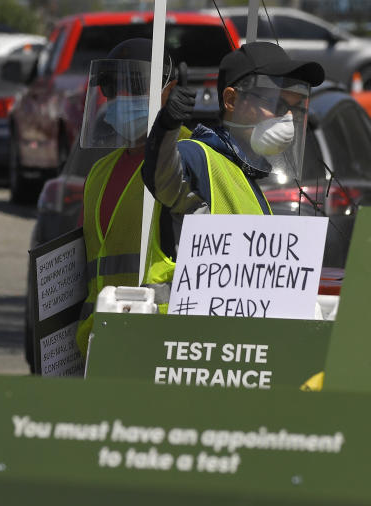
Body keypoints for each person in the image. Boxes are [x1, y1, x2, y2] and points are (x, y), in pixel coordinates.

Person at [141, 41, 325, 306]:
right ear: (231, 100)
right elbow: (161, 177)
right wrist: (168, 125)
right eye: (276, 103)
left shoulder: (246, 177)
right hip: (181, 334)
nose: (287, 118)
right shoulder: (197, 156)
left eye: (294, 108)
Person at [75, 38, 191, 356]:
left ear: (168, 90)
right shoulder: (99, 172)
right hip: (101, 345)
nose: (122, 97)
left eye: (137, 84)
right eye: (112, 87)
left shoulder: (190, 157)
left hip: (158, 343)